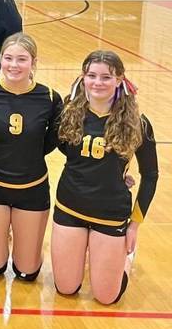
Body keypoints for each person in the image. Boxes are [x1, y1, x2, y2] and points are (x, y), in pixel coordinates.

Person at [52, 51, 158, 304]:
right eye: (92, 76)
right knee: (66, 289)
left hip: (110, 215)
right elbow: (64, 150)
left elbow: (151, 175)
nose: (98, 82)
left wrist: (134, 225)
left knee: (106, 298)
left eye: (106, 77)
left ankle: (125, 260)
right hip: (70, 207)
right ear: (83, 78)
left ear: (119, 80)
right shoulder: (69, 113)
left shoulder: (137, 123)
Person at [0, 32, 63, 281]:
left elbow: (52, 142)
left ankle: (33, 254)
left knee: (27, 273)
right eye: (8, 58)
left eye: (22, 59)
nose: (14, 65)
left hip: (32, 188)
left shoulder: (49, 98)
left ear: (33, 63)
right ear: (0, 59)